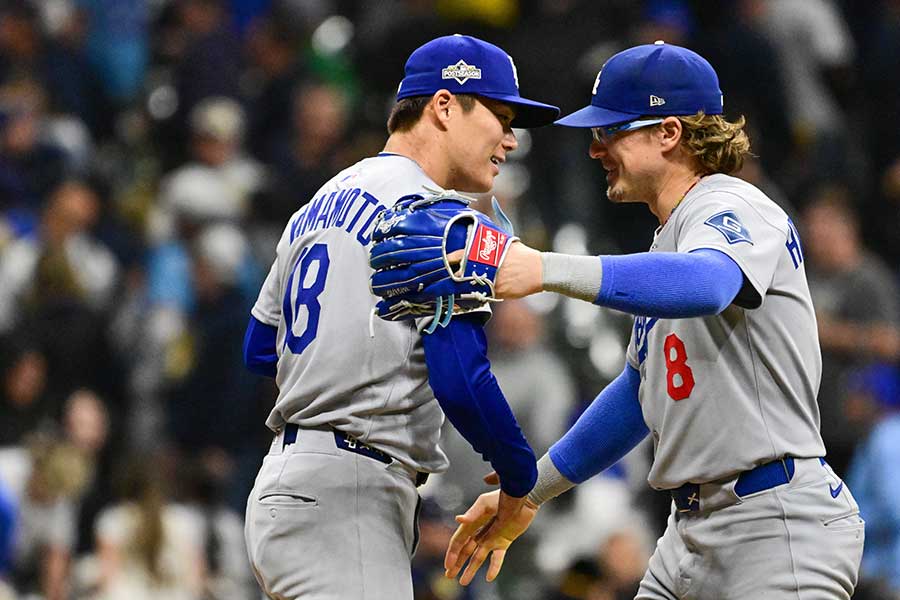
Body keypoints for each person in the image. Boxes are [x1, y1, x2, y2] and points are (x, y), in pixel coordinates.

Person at [440, 42, 864, 599]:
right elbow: (641, 392)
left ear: (668, 132)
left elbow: (709, 285)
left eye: (610, 131)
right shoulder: (670, 237)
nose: (596, 149)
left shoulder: (733, 204)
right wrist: (532, 490)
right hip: (689, 531)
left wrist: (545, 268)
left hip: (773, 523)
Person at [242, 34, 559, 599]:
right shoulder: (435, 217)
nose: (510, 139)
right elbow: (461, 379)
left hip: (285, 487)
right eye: (501, 116)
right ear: (443, 106)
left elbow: (260, 347)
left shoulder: (319, 200)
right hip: (352, 492)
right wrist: (520, 479)